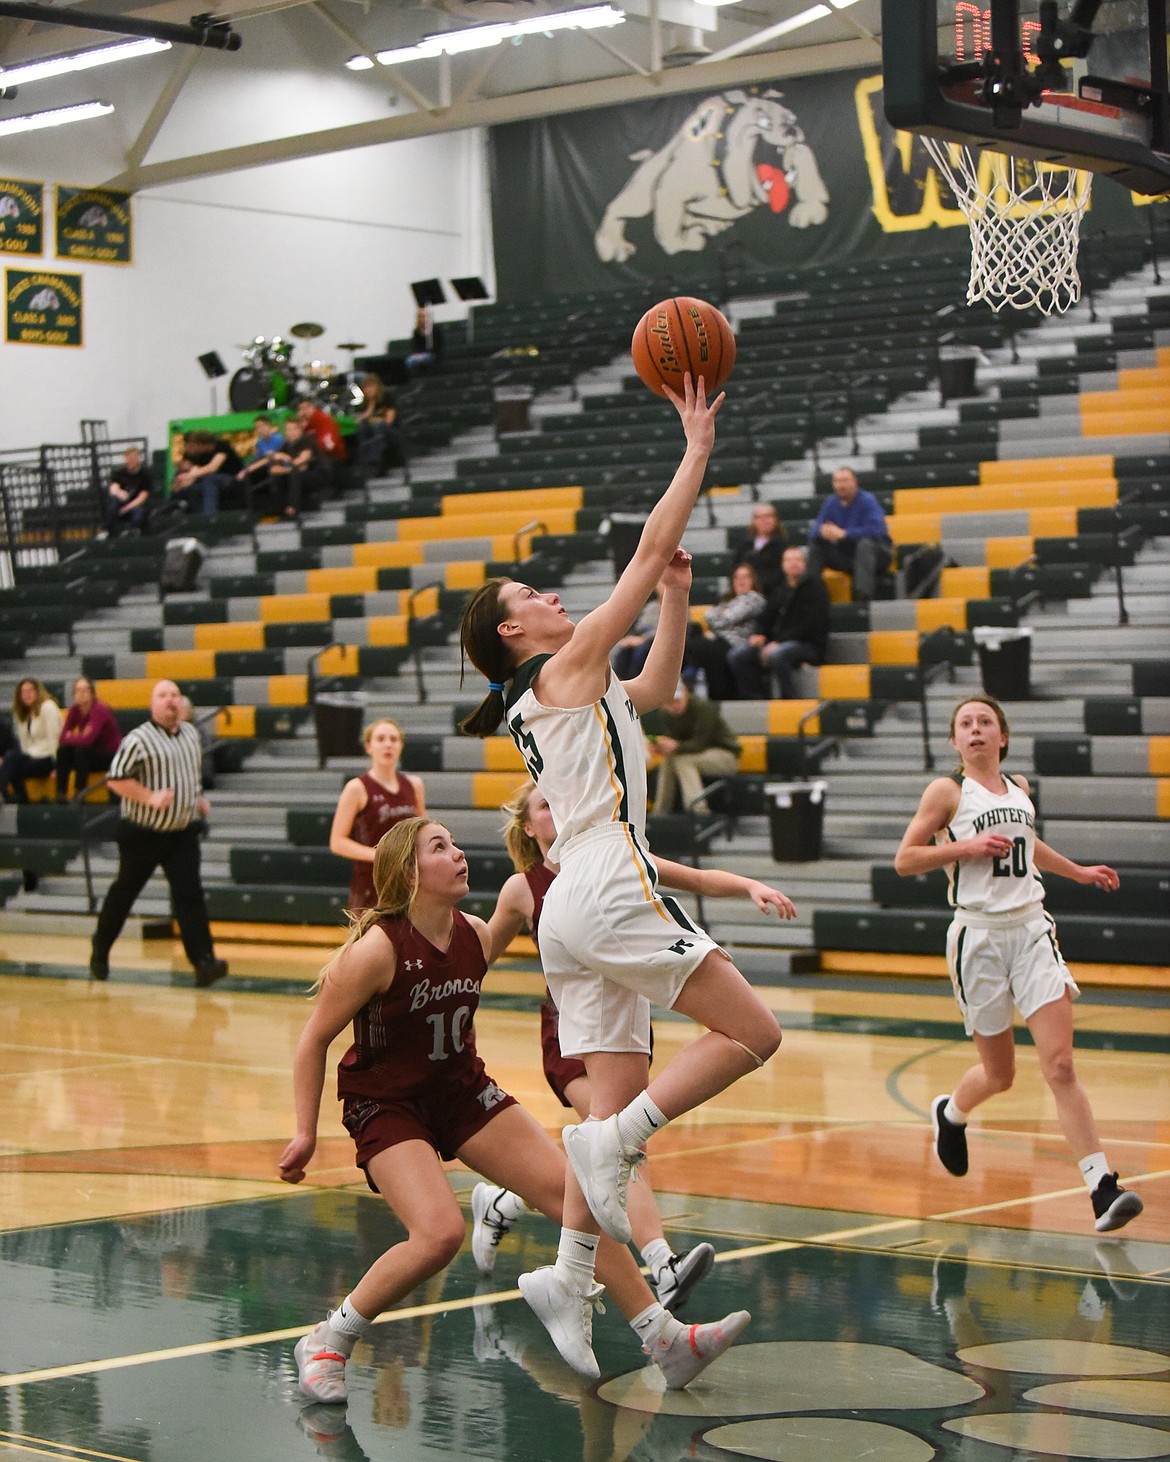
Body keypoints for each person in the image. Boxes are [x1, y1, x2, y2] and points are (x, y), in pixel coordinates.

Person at [458, 374, 793, 1375]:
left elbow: (655, 686)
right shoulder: (560, 667)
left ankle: (591, 1292)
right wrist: (696, 447)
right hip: (606, 876)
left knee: (608, 1112)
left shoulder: (569, 683)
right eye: (536, 598)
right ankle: (598, 1156)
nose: (556, 598)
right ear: (514, 632)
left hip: (573, 900)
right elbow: (645, 550)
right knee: (752, 1034)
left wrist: (681, 597)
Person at [278, 816, 750, 1404]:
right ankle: (329, 1339)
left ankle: (666, 1339)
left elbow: (542, 913)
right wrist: (303, 1131)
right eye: (439, 847)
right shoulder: (377, 949)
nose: (458, 853)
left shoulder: (474, 934)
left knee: (577, 1197)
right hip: (388, 1103)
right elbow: (312, 1040)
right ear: (408, 872)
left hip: (461, 1090)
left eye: (454, 843)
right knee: (439, 1234)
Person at [472, 781, 795, 1307]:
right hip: (568, 1031)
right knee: (623, 1145)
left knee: (606, 1138)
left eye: (561, 800)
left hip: (626, 1018)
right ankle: (660, 1262)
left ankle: (507, 1200)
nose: (557, 812)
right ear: (528, 827)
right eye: (543, 807)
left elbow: (693, 877)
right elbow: (479, 956)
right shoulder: (521, 889)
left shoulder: (615, 856)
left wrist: (749, 887)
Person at [894, 695, 1143, 1235]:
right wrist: (965, 849)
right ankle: (952, 1113)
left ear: (1002, 737)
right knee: (1001, 1075)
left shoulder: (1021, 789)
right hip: (977, 937)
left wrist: (1076, 871)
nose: (977, 729)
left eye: (986, 722)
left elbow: (1026, 846)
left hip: (1032, 929)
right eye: (966, 724)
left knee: (1060, 1065)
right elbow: (905, 859)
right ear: (955, 741)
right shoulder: (947, 791)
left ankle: (1102, 1188)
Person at [89, 679, 227, 988]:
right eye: (163, 696)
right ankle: (100, 948)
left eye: (175, 695)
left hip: (181, 834)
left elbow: (190, 775)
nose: (170, 700)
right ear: (153, 705)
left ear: (182, 702)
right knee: (124, 893)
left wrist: (197, 800)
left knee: (190, 896)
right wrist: (149, 797)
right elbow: (116, 780)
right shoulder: (138, 739)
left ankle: (204, 961)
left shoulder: (191, 733)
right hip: (143, 833)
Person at [329, 719, 426, 913]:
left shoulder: (414, 785)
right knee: (370, 941)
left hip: (408, 881)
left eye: (394, 739)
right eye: (381, 739)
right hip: (371, 883)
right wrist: (381, 856)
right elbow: (337, 842)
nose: (388, 744)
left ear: (401, 746)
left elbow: (423, 830)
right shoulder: (357, 788)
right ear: (368, 747)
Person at [727, 544, 831, 700]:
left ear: (805, 564)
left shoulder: (816, 588)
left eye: (797, 560)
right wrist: (759, 634)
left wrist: (779, 642)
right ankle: (757, 698)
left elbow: (811, 625)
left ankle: (789, 699)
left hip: (808, 645)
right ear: (783, 564)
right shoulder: (780, 589)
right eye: (789, 560)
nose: (793, 563)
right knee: (737, 656)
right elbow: (767, 616)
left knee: (778, 654)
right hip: (777, 642)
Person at [643, 680, 739, 814]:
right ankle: (661, 812)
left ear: (685, 693)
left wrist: (675, 747)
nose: (673, 706)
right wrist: (662, 746)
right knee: (669, 760)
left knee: (683, 761)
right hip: (692, 753)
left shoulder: (703, 708)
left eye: (677, 701)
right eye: (668, 703)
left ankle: (699, 811)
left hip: (724, 755)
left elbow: (700, 743)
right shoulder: (666, 714)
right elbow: (675, 740)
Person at [805, 466, 893, 603]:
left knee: (865, 544)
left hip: (876, 553)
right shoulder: (830, 503)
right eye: (837, 481)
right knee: (816, 545)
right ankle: (811, 595)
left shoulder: (867, 501)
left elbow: (876, 531)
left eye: (845, 481)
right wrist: (823, 532)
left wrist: (845, 534)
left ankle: (862, 598)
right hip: (847, 555)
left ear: (854, 482)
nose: (841, 485)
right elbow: (813, 531)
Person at [683, 562, 766, 701]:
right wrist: (723, 615)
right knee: (691, 639)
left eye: (745, 577)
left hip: (736, 643)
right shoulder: (729, 600)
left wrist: (722, 616)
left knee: (695, 646)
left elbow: (729, 618)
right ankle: (691, 680)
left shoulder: (754, 598)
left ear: (753, 581)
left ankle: (691, 680)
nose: (741, 581)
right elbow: (709, 616)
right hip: (719, 640)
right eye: (737, 577)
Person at [55, 676, 121, 801]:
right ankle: (60, 793)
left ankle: (80, 793)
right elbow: (62, 738)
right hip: (90, 753)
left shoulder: (99, 710)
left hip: (110, 755)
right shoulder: (74, 710)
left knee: (81, 751)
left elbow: (88, 740)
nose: (81, 694)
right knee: (63, 751)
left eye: (85, 690)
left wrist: (73, 736)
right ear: (74, 694)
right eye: (78, 691)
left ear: (92, 693)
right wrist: (80, 736)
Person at [1, 678, 61, 803]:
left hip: (48, 757)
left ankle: (9, 794)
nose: (27, 695)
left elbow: (55, 739)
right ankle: (19, 798)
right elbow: (24, 745)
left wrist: (57, 766)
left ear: (37, 691)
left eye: (30, 691)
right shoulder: (22, 713)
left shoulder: (48, 707)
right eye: (23, 692)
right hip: (31, 755)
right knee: (11, 759)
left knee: (12, 764)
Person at [171, 430, 244, 516]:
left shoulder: (221, 446)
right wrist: (181, 481)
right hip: (209, 480)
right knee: (192, 489)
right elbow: (196, 470)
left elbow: (212, 467)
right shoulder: (199, 455)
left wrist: (190, 475)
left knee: (209, 479)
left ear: (202, 444)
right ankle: (197, 517)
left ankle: (209, 516)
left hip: (232, 478)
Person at [731, 502, 788, 596]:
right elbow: (735, 568)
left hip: (772, 595)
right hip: (744, 595)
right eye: (759, 517)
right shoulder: (744, 545)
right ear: (754, 521)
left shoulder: (783, 545)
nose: (764, 520)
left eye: (768, 516)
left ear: (775, 520)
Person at [101, 446, 153, 537]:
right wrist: (119, 493)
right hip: (122, 502)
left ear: (138, 459)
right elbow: (113, 488)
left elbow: (143, 496)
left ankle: (133, 531)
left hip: (136, 504)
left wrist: (128, 507)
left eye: (133, 458)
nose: (130, 461)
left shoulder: (145, 475)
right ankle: (108, 531)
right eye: (128, 458)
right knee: (112, 502)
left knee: (139, 511)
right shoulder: (119, 473)